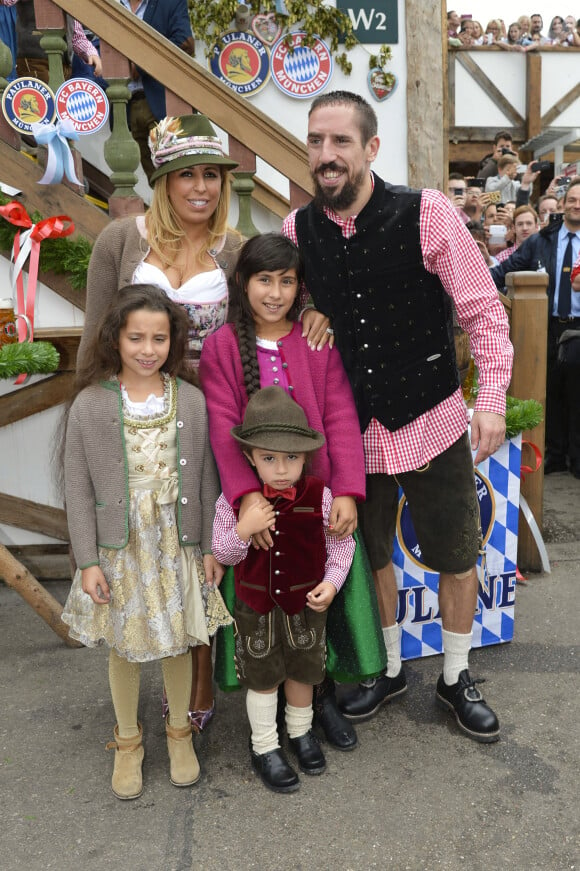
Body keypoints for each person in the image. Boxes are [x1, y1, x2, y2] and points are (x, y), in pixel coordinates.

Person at [282, 90, 513, 743]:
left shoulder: (428, 214)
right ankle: (387, 669)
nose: (326, 155)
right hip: (352, 428)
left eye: (340, 142)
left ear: (371, 148)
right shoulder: (296, 232)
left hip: (432, 415)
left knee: (456, 552)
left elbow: (484, 314)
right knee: (373, 553)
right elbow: (270, 306)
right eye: (316, 142)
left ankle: (456, 675)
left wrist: (490, 399)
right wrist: (304, 314)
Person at [77, 113, 242, 734]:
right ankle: (131, 694)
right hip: (134, 410)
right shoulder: (121, 240)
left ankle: (196, 684)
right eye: (187, 175)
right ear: (164, 181)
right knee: (137, 551)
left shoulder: (236, 249)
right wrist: (92, 422)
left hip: (210, 413)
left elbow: (265, 324)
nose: (201, 188)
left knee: (196, 550)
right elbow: (97, 335)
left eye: (212, 176)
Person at [199, 233, 387, 751]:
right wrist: (245, 498)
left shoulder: (315, 341)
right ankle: (272, 715)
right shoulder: (221, 348)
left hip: (316, 500)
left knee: (317, 606)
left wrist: (347, 490)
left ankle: (317, 700)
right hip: (262, 505)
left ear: (300, 287)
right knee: (269, 612)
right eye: (265, 280)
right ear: (243, 283)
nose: (276, 293)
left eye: (287, 281)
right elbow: (222, 426)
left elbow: (341, 417)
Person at [61, 285, 232, 800]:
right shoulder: (90, 405)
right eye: (136, 337)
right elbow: (77, 485)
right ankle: (129, 740)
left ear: (173, 341)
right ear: (115, 339)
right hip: (123, 548)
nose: (147, 348)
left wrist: (207, 549)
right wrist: (87, 560)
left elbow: (205, 478)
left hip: (175, 543)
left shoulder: (192, 400)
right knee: (127, 647)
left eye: (159, 338)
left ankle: (180, 732)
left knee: (179, 639)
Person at [211, 386, 356, 793]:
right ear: (249, 458)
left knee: (303, 673)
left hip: (306, 608)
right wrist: (244, 529)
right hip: (256, 609)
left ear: (305, 457)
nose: (280, 469)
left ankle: (300, 732)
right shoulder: (235, 502)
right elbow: (224, 552)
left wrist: (331, 582)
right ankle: (264, 746)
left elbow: (342, 545)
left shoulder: (320, 496)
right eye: (268, 458)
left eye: (291, 458)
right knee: (263, 678)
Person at [490, 177, 580, 479]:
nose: (576, 205)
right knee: (549, 392)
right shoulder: (542, 241)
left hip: (579, 331)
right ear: (563, 204)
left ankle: (576, 460)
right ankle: (553, 458)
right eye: (572, 199)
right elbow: (505, 270)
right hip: (547, 327)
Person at [118, 0, 195, 181]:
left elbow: (184, 42)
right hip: (127, 105)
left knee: (175, 174)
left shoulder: (170, 3)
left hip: (160, 103)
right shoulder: (112, 4)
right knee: (157, 180)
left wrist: (141, 63)